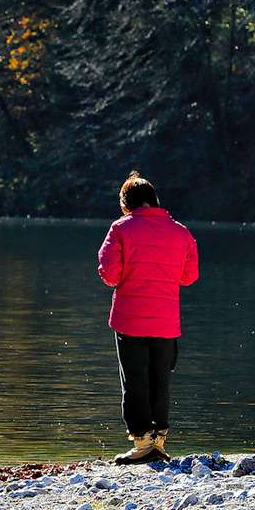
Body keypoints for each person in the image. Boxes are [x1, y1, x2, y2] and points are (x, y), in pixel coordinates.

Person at [97, 172, 199, 465]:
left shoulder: (121, 228)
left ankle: (142, 443)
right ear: (155, 201)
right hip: (166, 321)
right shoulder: (181, 232)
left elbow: (109, 273)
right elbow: (189, 276)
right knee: (160, 379)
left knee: (135, 379)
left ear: (126, 204)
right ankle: (160, 442)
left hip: (130, 319)